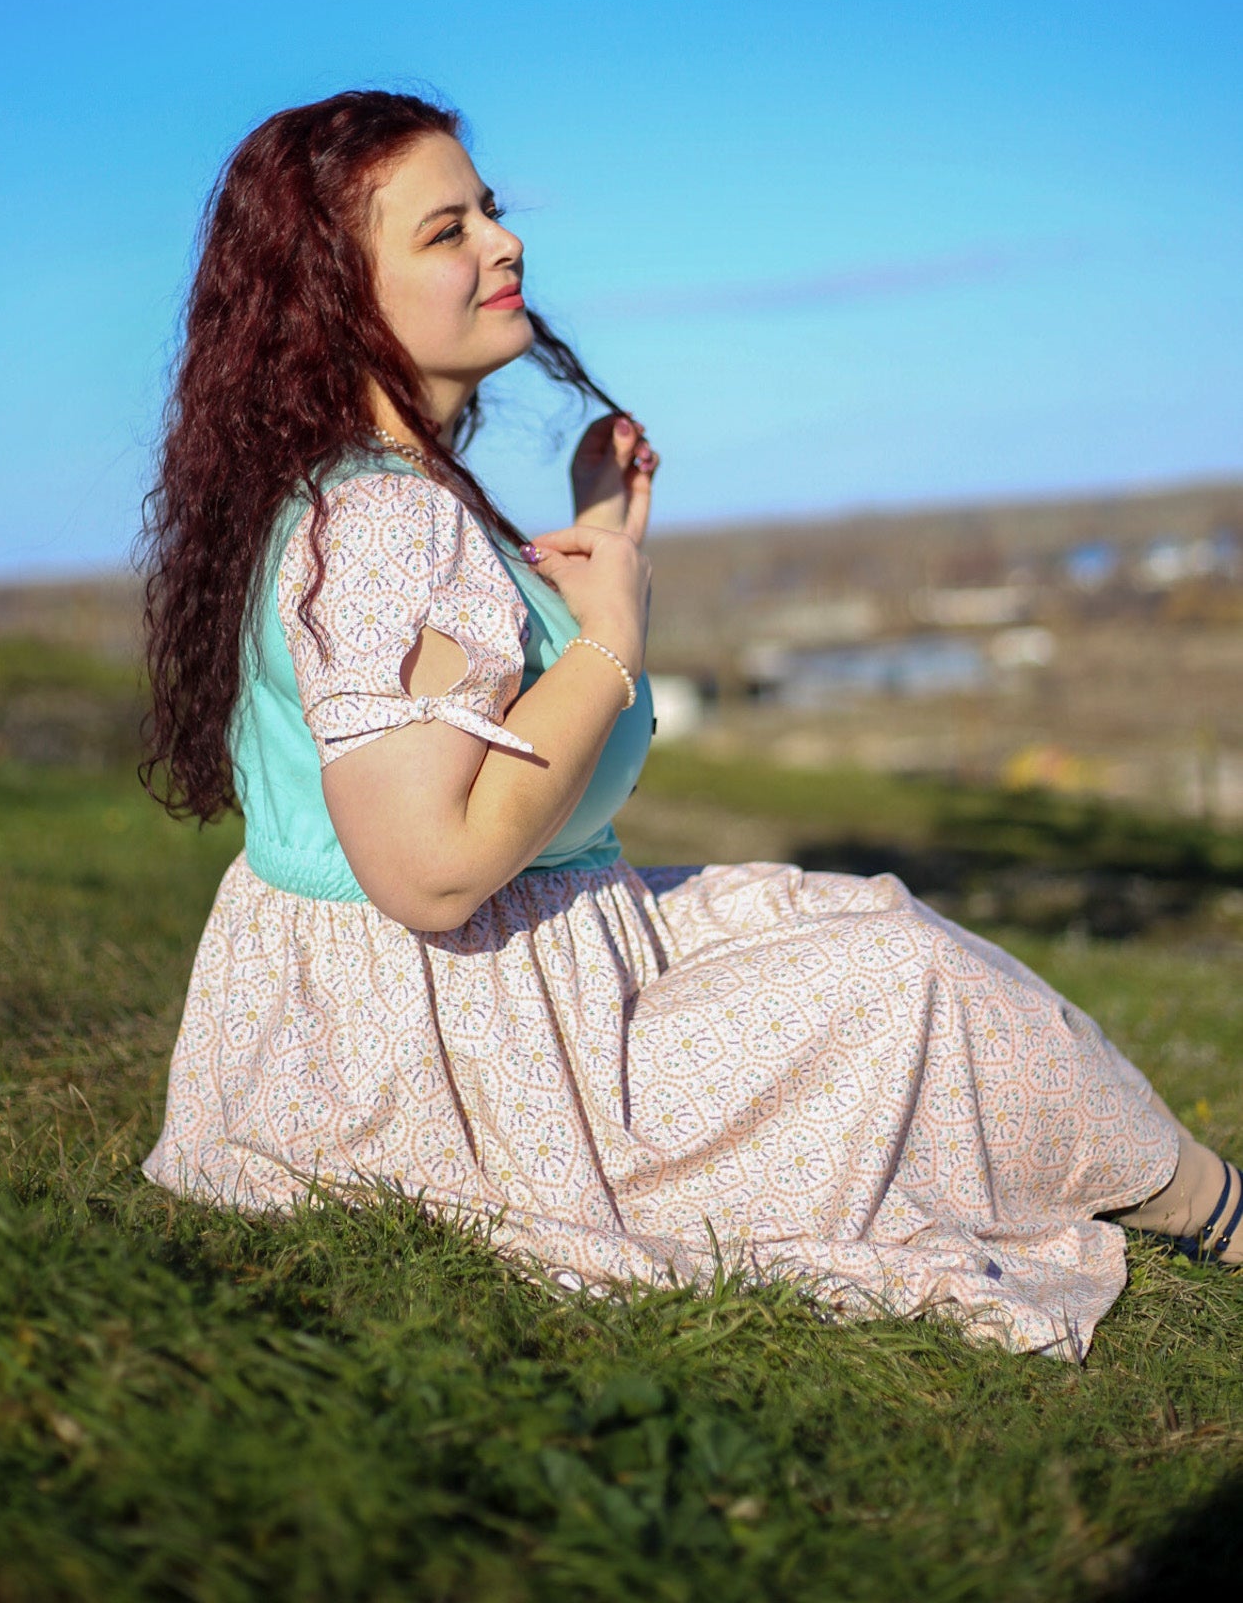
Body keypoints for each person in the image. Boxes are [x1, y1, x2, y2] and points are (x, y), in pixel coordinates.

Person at [141, 90, 1240, 1359]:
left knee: (858, 916)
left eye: (491, 211)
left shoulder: (391, 497)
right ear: (333, 296)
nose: (503, 245)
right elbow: (429, 872)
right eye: (447, 231)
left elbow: (485, 716)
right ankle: (1208, 1208)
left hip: (487, 991)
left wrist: (595, 536)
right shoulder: (389, 521)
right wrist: (608, 636)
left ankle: (1177, 1187)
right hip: (444, 1068)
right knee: (911, 983)